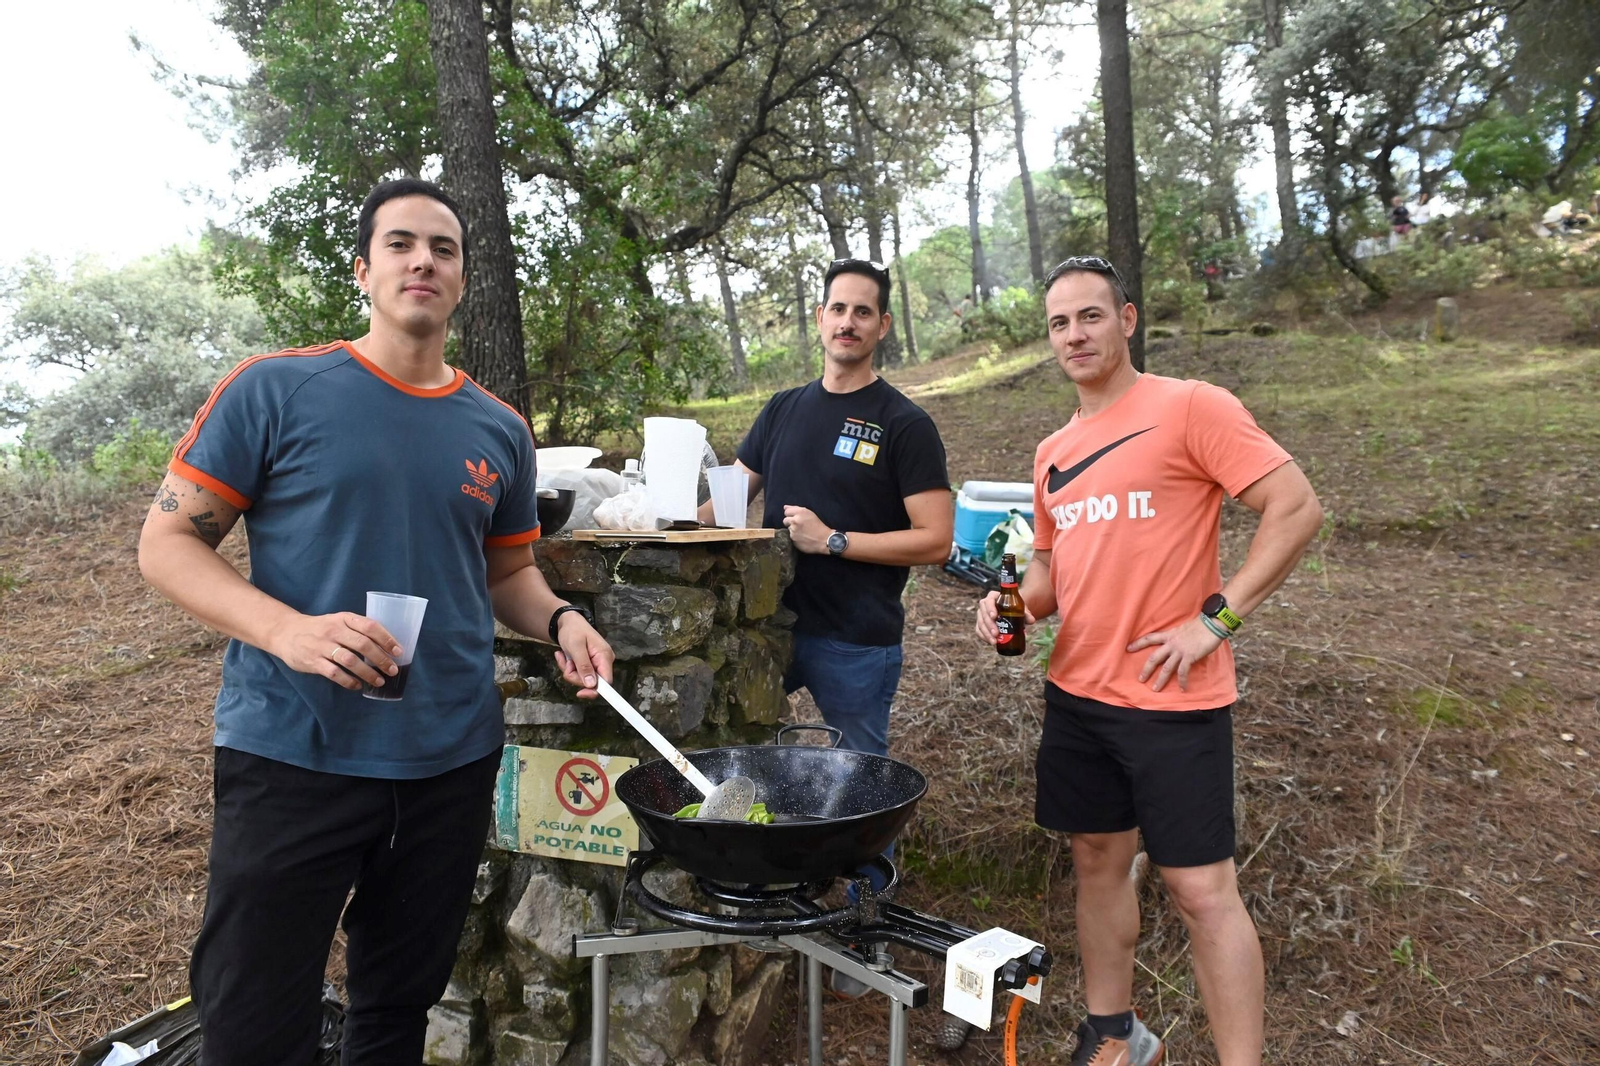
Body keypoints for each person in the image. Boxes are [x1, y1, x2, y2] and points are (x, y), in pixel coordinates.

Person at [138, 177, 615, 1066]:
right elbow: (166, 545)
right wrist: (290, 631)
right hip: (294, 752)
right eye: (400, 244)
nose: (423, 260)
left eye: (443, 247)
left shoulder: (499, 429)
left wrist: (558, 622)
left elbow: (507, 570)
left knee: (396, 1008)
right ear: (363, 270)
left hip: (449, 761)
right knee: (251, 1017)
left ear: (464, 278)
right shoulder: (275, 389)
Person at [974, 255, 1323, 1066]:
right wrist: (1014, 604)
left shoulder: (1191, 407)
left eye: (1090, 316)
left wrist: (1218, 621)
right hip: (1079, 697)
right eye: (1059, 323)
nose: (1074, 334)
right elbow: (1051, 571)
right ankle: (1115, 1035)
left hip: (1174, 697)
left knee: (1202, 892)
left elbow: (1295, 507)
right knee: (1097, 863)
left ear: (1126, 320)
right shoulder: (1054, 449)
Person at [700, 256, 952, 878]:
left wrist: (834, 541)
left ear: (883, 326)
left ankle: (867, 929)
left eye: (862, 312)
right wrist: (654, 518)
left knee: (864, 788)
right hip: (775, 631)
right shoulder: (784, 409)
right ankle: (767, 890)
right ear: (820, 318)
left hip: (856, 641)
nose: (848, 322)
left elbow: (937, 541)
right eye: (838, 309)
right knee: (744, 760)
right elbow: (730, 496)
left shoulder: (904, 424)